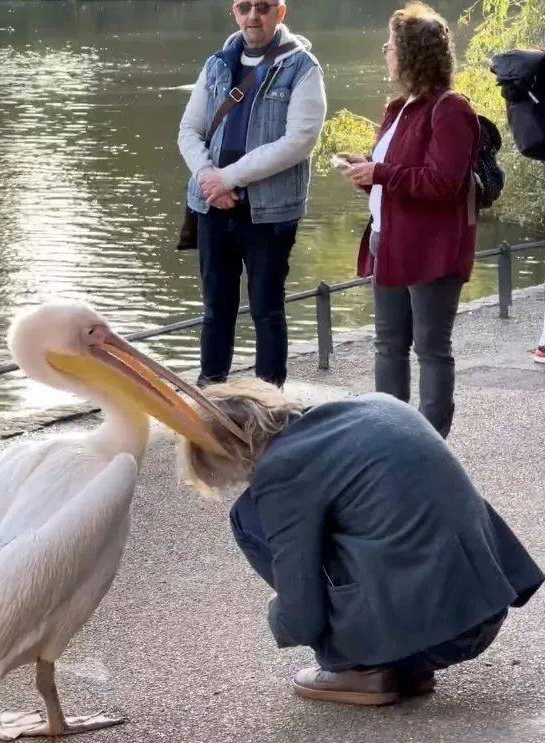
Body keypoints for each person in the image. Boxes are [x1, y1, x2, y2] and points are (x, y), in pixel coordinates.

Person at [177, 378, 544, 706]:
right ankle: (402, 659)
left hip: (435, 635)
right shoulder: (379, 405)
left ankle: (361, 667)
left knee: (247, 516)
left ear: (228, 455)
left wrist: (281, 615)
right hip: (485, 611)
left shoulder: (281, 470)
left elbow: (302, 617)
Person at [342, 2, 480, 438]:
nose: (385, 50)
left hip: (431, 247)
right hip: (390, 239)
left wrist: (381, 173)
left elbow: (443, 183)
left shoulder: (451, 109)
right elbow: (401, 178)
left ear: (412, 53)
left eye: (392, 44)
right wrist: (366, 172)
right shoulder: (399, 108)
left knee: (431, 349)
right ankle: (391, 438)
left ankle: (430, 444)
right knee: (388, 346)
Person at [177, 0, 327, 388]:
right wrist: (210, 176)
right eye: (245, 7)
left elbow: (299, 142)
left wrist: (229, 177)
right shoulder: (216, 65)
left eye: (262, 7)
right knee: (216, 310)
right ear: (235, 13)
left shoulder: (302, 68)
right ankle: (211, 400)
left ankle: (270, 407)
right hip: (213, 206)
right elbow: (188, 131)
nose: (253, 16)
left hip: (270, 213)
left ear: (281, 12)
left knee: (267, 310)